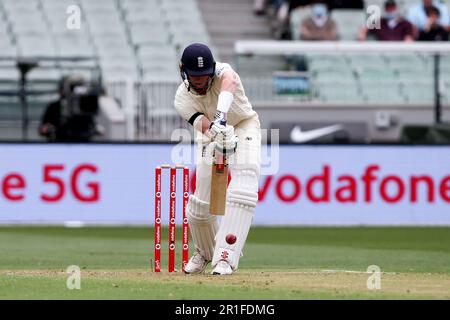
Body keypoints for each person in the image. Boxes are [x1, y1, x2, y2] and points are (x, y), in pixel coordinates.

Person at [174, 43, 261, 275]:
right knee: (201, 203)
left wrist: (222, 118)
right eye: (195, 76)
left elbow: (229, 82)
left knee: (245, 182)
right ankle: (204, 251)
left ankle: (226, 255)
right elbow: (201, 124)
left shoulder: (224, 72)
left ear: (212, 69)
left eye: (204, 76)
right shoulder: (182, 99)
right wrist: (217, 131)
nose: (201, 81)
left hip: (243, 125)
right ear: (184, 72)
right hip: (209, 134)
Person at [39, 75, 99, 142]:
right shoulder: (53, 107)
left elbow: (91, 126)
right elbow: (43, 129)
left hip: (81, 143)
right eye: (71, 88)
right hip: (59, 142)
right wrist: (48, 129)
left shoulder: (85, 106)